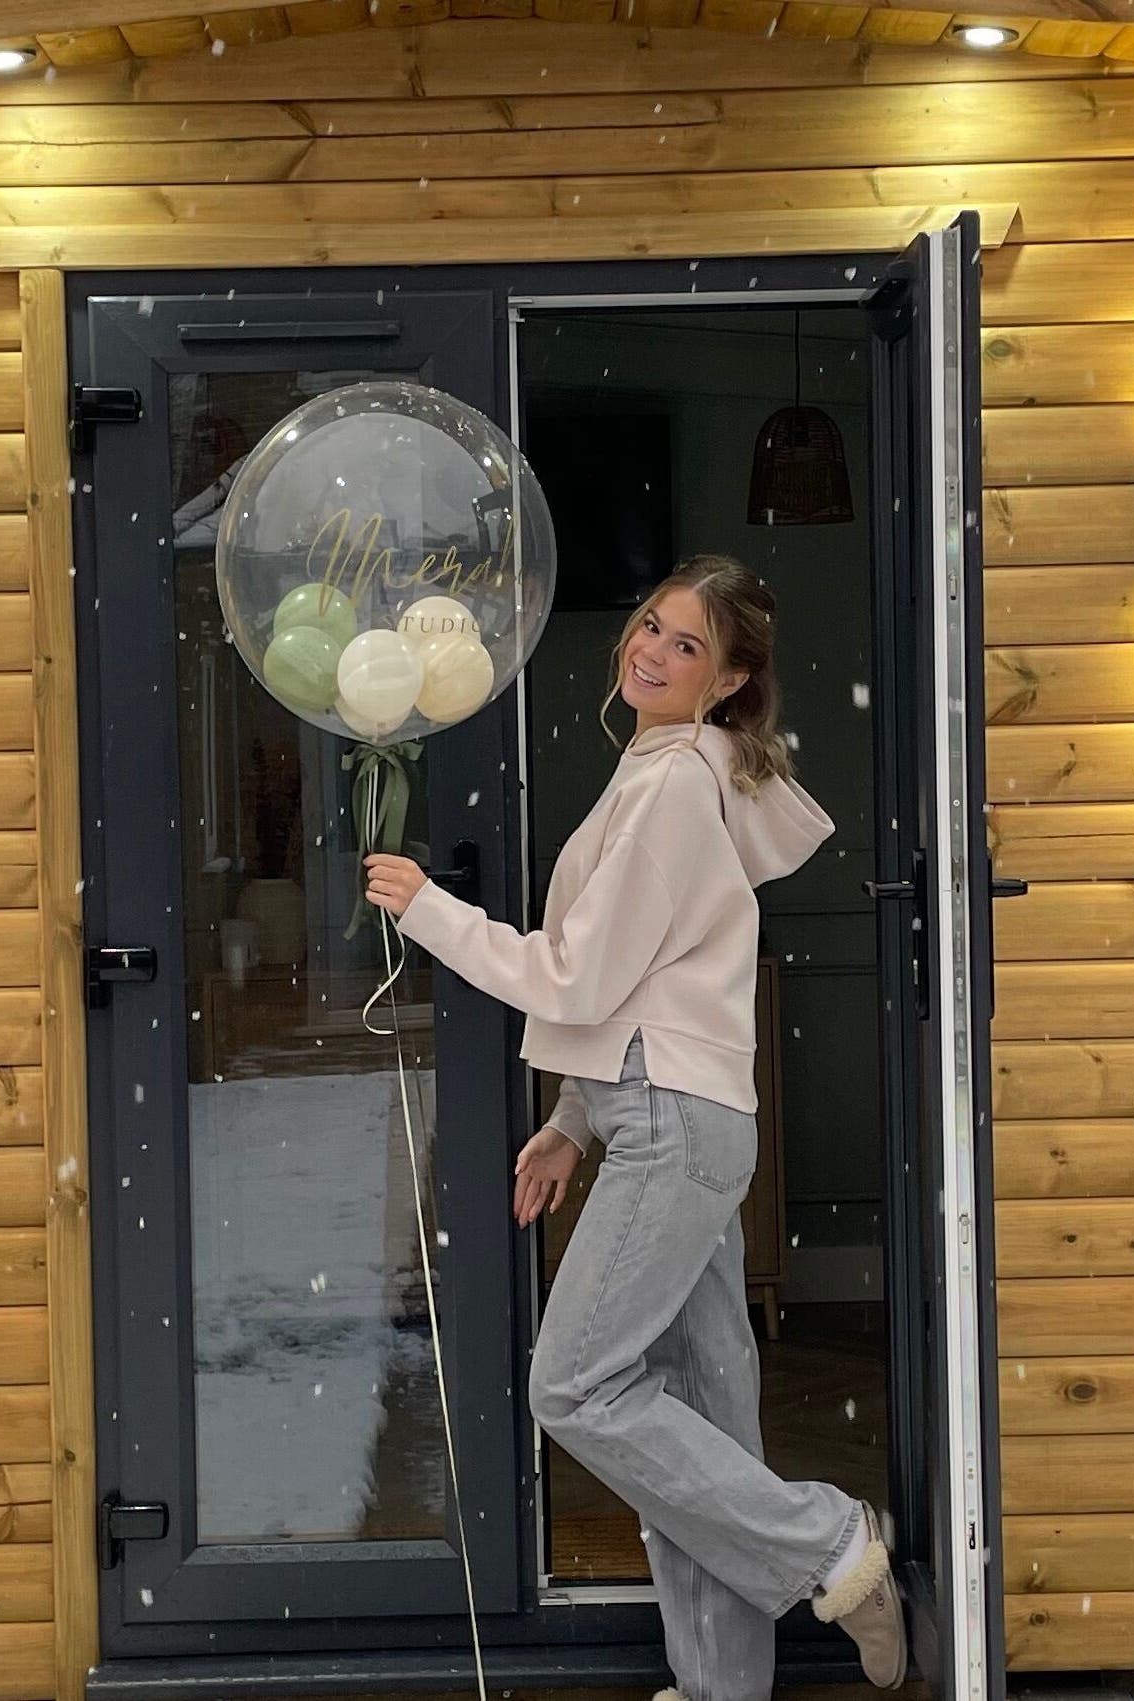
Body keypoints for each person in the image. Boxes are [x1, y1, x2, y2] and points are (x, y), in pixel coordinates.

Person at [365, 556, 906, 1701]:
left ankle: (829, 1546)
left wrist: (431, 913)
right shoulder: (667, 769)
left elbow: (574, 975)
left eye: (687, 646)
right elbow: (637, 981)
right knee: (705, 1411)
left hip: (671, 1128)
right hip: (678, 1118)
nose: (652, 652)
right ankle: (724, 1688)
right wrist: (573, 1118)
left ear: (730, 680)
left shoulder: (671, 789)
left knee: (575, 1386)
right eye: (652, 626)